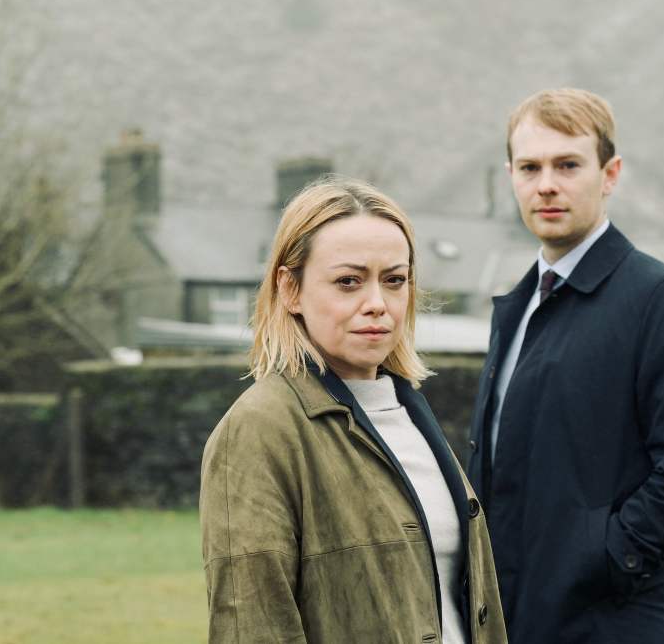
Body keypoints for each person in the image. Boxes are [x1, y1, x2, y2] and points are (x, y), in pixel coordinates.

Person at [466, 88, 664, 642]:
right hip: (516, 620)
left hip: (612, 622)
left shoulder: (662, 297)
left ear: (609, 174)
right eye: (530, 167)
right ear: (509, 175)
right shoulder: (516, 307)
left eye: (568, 165)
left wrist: (604, 561)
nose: (547, 185)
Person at [200, 176, 507, 643]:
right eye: (348, 281)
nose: (377, 304)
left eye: (394, 281)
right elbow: (253, 627)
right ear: (290, 289)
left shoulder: (410, 414)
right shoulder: (260, 428)